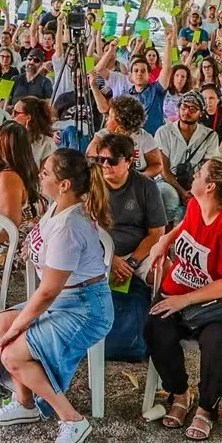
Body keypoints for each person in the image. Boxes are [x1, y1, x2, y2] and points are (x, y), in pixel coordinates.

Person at [0, 148, 112, 443]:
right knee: (0, 321)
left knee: (11, 353)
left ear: (64, 184)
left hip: (85, 307)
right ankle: (24, 402)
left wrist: (20, 328)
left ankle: (72, 419)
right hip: (66, 299)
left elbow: (47, 292)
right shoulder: (58, 207)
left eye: (46, 172)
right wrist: (13, 324)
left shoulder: (70, 226)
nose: (39, 176)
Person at [143, 155, 222, 441]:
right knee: (155, 326)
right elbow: (184, 227)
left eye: (199, 173)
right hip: (181, 292)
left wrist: (186, 300)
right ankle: (180, 393)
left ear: (211, 186)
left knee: (217, 340)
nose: (193, 175)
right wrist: (164, 241)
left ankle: (207, 407)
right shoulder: (195, 204)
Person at [94, 134, 165, 361]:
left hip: (137, 250)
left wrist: (132, 262)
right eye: (100, 160)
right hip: (99, 250)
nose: (105, 165)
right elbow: (85, 228)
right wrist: (112, 258)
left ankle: (158, 328)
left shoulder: (146, 186)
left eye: (112, 161)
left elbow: (157, 233)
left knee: (163, 271)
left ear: (128, 161)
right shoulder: (92, 184)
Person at [0, 120, 47, 280]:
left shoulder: (7, 177)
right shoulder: (25, 169)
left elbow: (10, 224)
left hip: (12, 246)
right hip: (25, 239)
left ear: (4, 147)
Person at [154, 91, 220, 224]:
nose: (186, 112)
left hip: (196, 182)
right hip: (167, 180)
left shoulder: (210, 135)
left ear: (201, 112)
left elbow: (208, 170)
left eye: (193, 108)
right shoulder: (164, 132)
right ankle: (165, 237)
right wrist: (182, 191)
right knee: (169, 195)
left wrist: (195, 191)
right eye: (183, 107)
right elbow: (163, 169)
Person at [87, 95, 161, 178]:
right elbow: (90, 154)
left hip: (137, 180)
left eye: (110, 116)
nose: (106, 119)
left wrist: (140, 178)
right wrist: (116, 139)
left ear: (121, 123)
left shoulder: (143, 137)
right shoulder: (103, 134)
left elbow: (157, 165)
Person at [199, 84, 222, 154]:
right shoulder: (198, 112)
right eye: (204, 98)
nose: (208, 101)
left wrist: (221, 149)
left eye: (211, 98)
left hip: (219, 143)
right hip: (202, 145)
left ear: (218, 99)